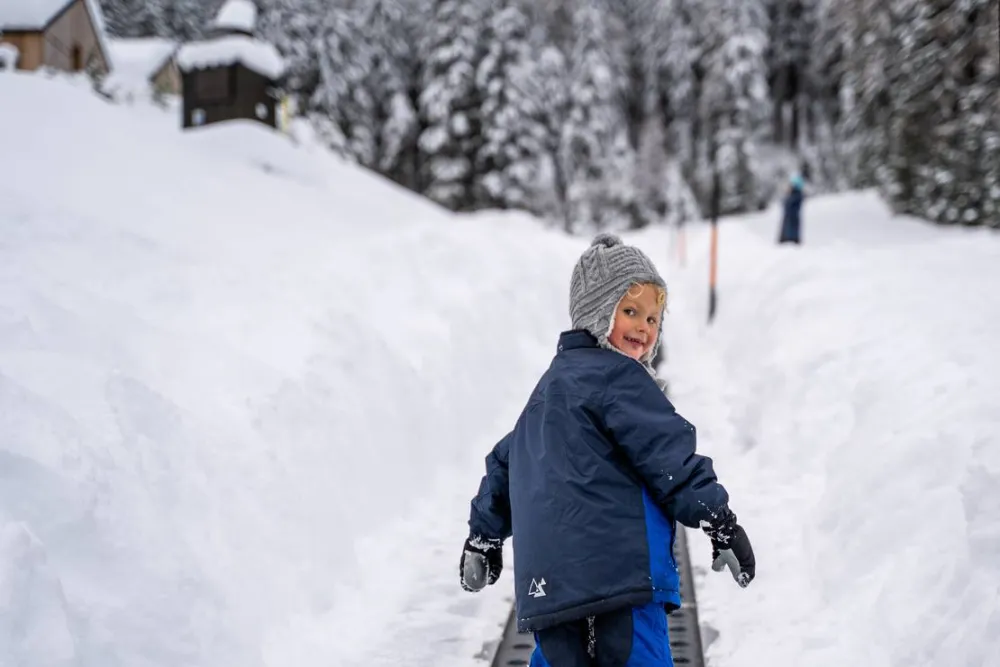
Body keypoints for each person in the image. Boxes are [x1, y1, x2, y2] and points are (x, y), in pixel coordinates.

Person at [459, 234, 755, 666]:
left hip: (551, 591)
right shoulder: (621, 380)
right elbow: (669, 456)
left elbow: (506, 463)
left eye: (654, 319)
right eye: (631, 311)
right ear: (597, 315)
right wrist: (719, 520)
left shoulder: (546, 391)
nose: (644, 328)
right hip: (622, 578)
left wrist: (482, 538)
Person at [778, 174, 805, 244]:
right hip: (789, 228)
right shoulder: (794, 196)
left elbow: (787, 205)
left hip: (790, 232)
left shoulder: (795, 196)